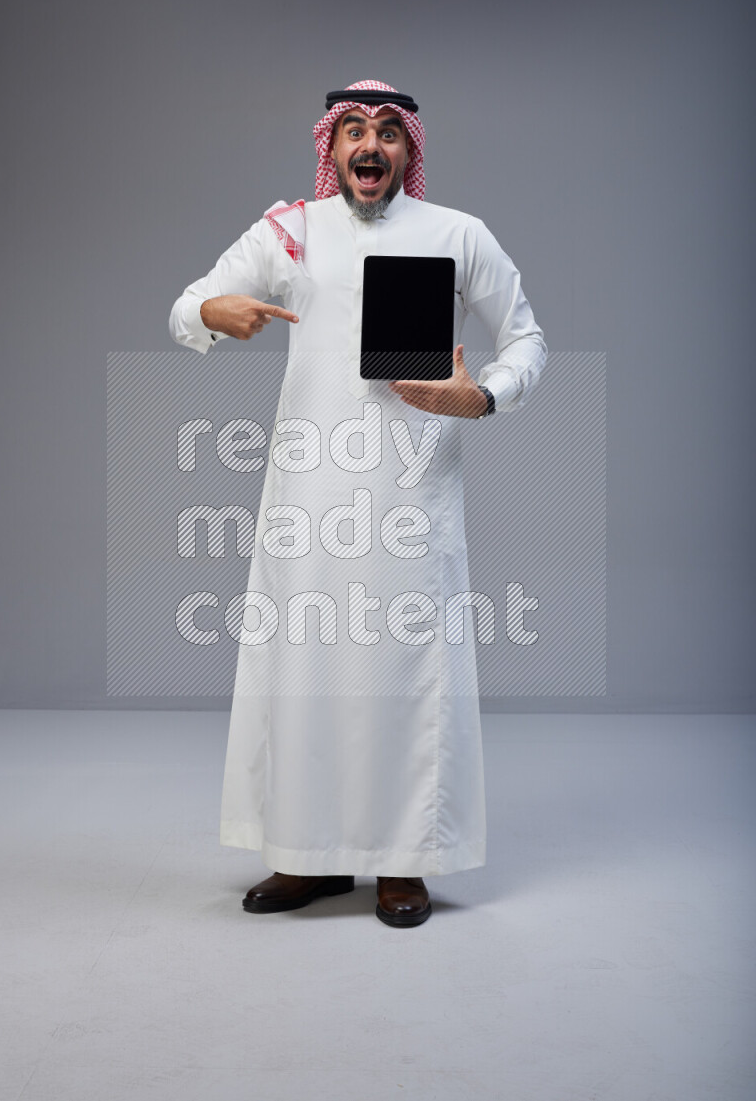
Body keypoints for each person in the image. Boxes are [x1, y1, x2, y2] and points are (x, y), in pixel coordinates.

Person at [169, 80, 547, 927]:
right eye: (353, 132)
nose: (370, 146)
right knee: (306, 674)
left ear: (409, 151)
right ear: (330, 147)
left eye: (387, 133)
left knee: (405, 674)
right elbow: (185, 305)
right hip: (307, 498)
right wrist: (210, 309)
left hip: (413, 497)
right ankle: (307, 857)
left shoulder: (458, 234)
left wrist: (481, 397)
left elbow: (527, 337)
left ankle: (402, 862)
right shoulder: (287, 232)